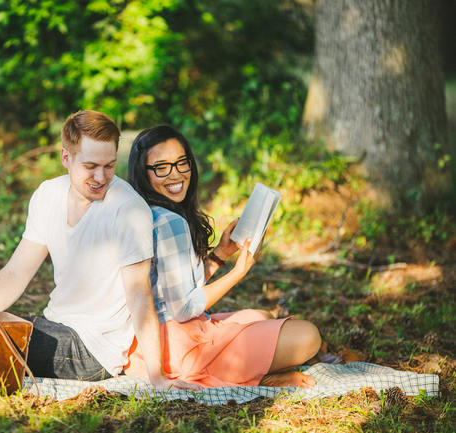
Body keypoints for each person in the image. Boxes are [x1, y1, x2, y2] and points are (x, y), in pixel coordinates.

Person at [0, 111, 197, 391]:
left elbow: (139, 295)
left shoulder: (129, 210)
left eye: (109, 166)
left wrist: (156, 377)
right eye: (90, 166)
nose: (101, 177)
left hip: (88, 352)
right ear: (66, 157)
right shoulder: (49, 195)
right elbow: (15, 273)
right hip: (53, 328)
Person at [124, 125, 321, 388]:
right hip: (179, 348)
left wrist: (219, 254)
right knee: (308, 336)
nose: (176, 174)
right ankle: (252, 378)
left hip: (150, 344)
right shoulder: (170, 222)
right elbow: (183, 309)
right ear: (143, 173)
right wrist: (238, 271)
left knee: (261, 315)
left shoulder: (147, 213)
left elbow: (174, 289)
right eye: (162, 167)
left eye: (182, 163)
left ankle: (245, 371)